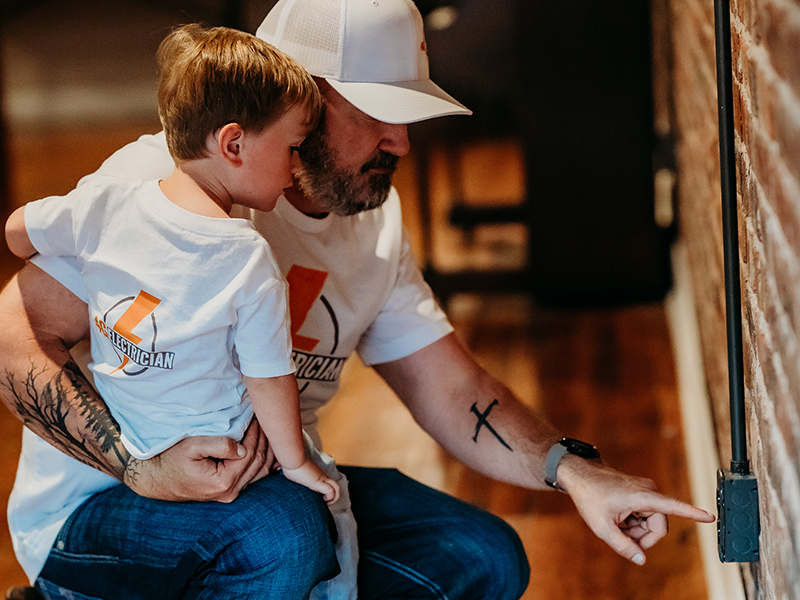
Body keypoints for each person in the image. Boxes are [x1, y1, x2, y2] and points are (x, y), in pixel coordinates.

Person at [0, 0, 715, 598]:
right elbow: (15, 330)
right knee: (282, 534)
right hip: (98, 509)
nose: (401, 141)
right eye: (377, 112)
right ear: (299, 93)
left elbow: (454, 388)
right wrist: (139, 469)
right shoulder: (170, 190)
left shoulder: (372, 222)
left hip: (267, 486)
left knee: (483, 556)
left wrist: (577, 474)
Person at [5, 22, 341, 505]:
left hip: (134, 442)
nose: (295, 170)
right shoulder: (246, 258)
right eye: (292, 148)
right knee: (328, 513)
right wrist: (298, 463)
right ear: (232, 144)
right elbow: (267, 377)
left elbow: (18, 229)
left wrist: (51, 243)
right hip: (220, 455)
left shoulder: (103, 204)